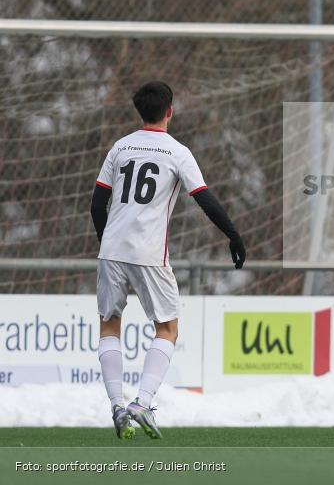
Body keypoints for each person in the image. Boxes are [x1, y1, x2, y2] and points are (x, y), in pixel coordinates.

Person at [90, 81, 246, 439]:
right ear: (170, 111)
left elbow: (98, 203)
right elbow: (204, 199)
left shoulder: (120, 146)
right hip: (148, 252)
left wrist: (108, 241)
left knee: (109, 325)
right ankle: (142, 403)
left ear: (139, 111)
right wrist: (233, 235)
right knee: (168, 328)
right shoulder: (177, 152)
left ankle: (116, 404)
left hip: (111, 249)